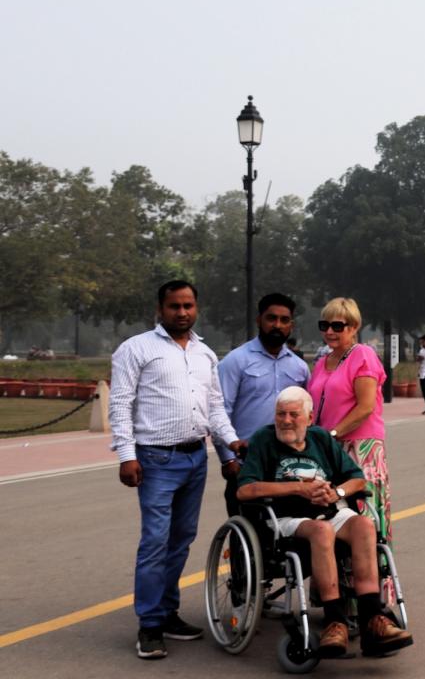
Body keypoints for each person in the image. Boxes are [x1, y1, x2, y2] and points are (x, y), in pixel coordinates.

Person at [108, 280, 248, 660]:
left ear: (196, 308)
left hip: (194, 458)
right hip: (155, 459)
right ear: (160, 308)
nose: (182, 312)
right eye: (174, 306)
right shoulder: (136, 349)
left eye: (188, 305)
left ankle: (167, 612)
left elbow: (215, 407)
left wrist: (231, 447)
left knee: (181, 539)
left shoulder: (205, 354)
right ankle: (150, 624)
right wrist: (126, 455)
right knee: (155, 541)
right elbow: (120, 404)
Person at [237, 387, 411, 658]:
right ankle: (335, 621)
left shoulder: (320, 438)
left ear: (309, 417)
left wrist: (337, 492)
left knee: (364, 525)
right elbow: (245, 490)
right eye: (280, 414)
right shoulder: (264, 440)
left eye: (294, 414)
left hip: (331, 510)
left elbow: (357, 478)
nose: (285, 420)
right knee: (321, 530)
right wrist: (297, 489)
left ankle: (373, 618)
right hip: (287, 518)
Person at [307, 297, 395, 587]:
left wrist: (331, 435)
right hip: (330, 450)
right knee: (334, 516)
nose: (330, 332)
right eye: (325, 325)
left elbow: (365, 407)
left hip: (360, 446)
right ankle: (340, 594)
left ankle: (371, 597)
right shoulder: (322, 362)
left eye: (337, 326)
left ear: (354, 327)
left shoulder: (363, 355)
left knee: (362, 519)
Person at [218, 292, 310, 517]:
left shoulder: (299, 368)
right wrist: (228, 459)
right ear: (259, 320)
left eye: (284, 320)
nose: (277, 325)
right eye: (271, 318)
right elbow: (220, 411)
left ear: (291, 325)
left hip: (288, 462)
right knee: (247, 528)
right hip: (247, 460)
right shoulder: (235, 361)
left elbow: (306, 414)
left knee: (288, 532)